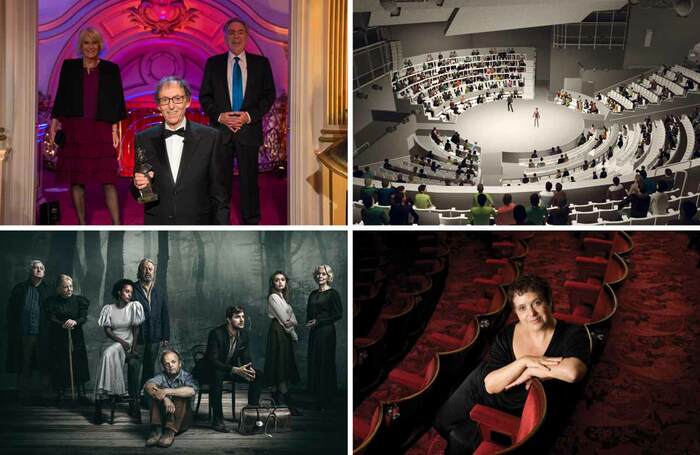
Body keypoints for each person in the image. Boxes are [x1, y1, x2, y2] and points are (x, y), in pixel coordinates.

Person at [434, 275, 590, 455]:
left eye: (537, 303)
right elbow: (490, 385)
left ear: (549, 301)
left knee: (458, 438)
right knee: (441, 423)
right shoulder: (508, 334)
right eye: (522, 308)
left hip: (511, 406)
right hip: (482, 386)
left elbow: (573, 372)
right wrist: (524, 362)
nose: (531, 313)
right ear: (516, 312)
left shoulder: (571, 333)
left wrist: (532, 370)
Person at [199, 18, 276, 225]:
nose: (236, 36)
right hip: (220, 132)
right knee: (219, 182)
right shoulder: (213, 64)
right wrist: (220, 116)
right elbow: (205, 97)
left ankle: (251, 222)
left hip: (248, 130)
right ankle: (219, 223)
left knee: (249, 182)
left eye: (240, 32)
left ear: (247, 35)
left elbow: (268, 96)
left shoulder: (261, 64)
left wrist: (248, 116)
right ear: (225, 36)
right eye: (231, 32)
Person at [49, 27, 127, 225]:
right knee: (77, 179)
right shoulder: (69, 67)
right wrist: (53, 124)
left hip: (100, 128)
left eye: (94, 43)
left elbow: (117, 101)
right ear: (81, 46)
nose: (90, 47)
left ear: (100, 45)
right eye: (86, 43)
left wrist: (115, 130)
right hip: (75, 127)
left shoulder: (111, 69)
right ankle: (82, 223)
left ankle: (117, 225)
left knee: (108, 179)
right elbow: (61, 96)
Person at [131, 76, 229, 224]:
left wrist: (222, 233)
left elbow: (219, 196)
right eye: (165, 100)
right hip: (159, 227)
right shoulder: (143, 139)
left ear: (188, 101)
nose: (171, 106)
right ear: (158, 105)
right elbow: (142, 192)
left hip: (199, 227)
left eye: (177, 99)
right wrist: (138, 185)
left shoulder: (211, 138)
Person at [202, 305, 262, 432]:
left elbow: (246, 357)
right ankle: (217, 420)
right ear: (228, 320)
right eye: (237, 317)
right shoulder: (216, 334)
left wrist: (249, 370)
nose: (241, 320)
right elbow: (213, 361)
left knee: (258, 375)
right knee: (217, 373)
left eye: (243, 317)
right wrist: (236, 370)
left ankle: (251, 414)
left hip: (229, 370)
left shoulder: (244, 335)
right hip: (209, 371)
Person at [94, 279, 145, 423]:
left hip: (127, 341)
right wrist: (119, 341)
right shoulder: (109, 308)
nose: (130, 295)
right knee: (106, 353)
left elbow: (136, 331)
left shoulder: (134, 307)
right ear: (119, 292)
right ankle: (102, 402)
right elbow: (108, 331)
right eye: (127, 291)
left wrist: (132, 348)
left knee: (107, 354)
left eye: (131, 292)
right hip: (113, 341)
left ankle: (101, 399)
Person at [6, 260, 51, 402]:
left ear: (44, 272)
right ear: (30, 271)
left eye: (41, 268)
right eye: (35, 268)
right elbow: (11, 312)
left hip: (43, 334)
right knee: (24, 364)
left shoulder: (48, 290)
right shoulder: (19, 289)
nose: (38, 270)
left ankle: (43, 395)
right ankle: (23, 395)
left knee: (44, 364)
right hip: (25, 334)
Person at [132, 258, 170, 408]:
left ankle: (145, 398)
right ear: (139, 271)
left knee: (149, 369)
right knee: (134, 369)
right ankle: (133, 402)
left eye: (150, 269)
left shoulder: (159, 291)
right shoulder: (132, 289)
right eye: (145, 268)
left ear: (154, 272)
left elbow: (164, 314)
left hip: (154, 336)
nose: (148, 272)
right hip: (137, 338)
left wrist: (165, 336)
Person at [46, 274, 90, 400]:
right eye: (65, 287)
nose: (69, 289)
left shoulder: (79, 301)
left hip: (76, 337)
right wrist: (63, 324)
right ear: (59, 289)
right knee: (61, 362)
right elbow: (51, 317)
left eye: (71, 286)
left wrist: (75, 322)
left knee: (79, 363)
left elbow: (83, 317)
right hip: (59, 337)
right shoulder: (53, 302)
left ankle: (81, 393)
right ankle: (60, 392)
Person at [263, 271, 302, 415]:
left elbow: (294, 320)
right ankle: (287, 402)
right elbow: (285, 320)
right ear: (273, 283)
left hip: (284, 334)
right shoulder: (273, 297)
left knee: (283, 363)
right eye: (277, 280)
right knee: (278, 363)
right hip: (277, 332)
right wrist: (292, 332)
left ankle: (278, 398)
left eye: (282, 280)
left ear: (286, 282)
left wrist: (290, 324)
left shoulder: (283, 299)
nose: (280, 282)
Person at [143, 350, 197, 448]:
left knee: (181, 394)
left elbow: (191, 391)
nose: (170, 365)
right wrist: (164, 398)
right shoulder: (161, 376)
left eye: (173, 362)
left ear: (180, 363)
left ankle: (169, 432)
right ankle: (157, 430)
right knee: (156, 393)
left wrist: (166, 391)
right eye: (167, 364)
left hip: (182, 421)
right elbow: (148, 385)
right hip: (163, 419)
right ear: (163, 366)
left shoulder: (187, 376)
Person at [306, 265, 343, 410]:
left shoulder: (333, 293)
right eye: (318, 274)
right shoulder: (313, 294)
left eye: (323, 274)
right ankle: (317, 398)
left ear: (328, 277)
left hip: (326, 332)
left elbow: (338, 314)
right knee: (315, 362)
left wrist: (319, 321)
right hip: (314, 332)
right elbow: (309, 312)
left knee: (324, 363)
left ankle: (326, 400)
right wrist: (310, 321)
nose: (320, 276)